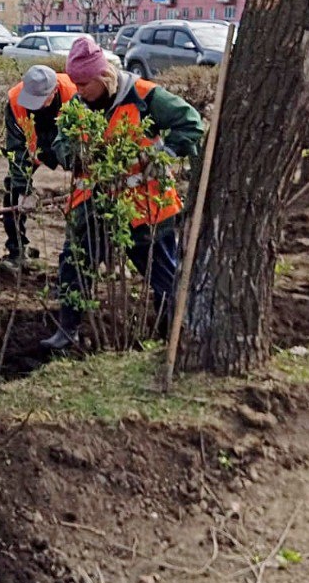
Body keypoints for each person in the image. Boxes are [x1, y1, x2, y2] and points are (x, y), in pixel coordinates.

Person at [41, 36, 205, 351]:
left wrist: (160, 153)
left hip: (144, 206)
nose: (78, 89)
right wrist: (74, 155)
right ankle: (68, 331)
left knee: (160, 271)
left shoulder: (145, 97)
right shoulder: (77, 105)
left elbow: (191, 124)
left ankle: (170, 333)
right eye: (74, 82)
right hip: (94, 205)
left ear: (103, 76)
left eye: (85, 82)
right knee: (74, 263)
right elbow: (61, 141)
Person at [1, 64, 78, 271]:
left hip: (72, 149)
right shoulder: (15, 101)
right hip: (35, 149)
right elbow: (16, 149)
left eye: (40, 101)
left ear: (54, 91)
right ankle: (17, 251)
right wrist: (24, 190)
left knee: (88, 194)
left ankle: (93, 256)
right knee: (13, 190)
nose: (33, 106)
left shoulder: (75, 94)